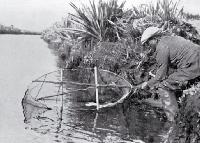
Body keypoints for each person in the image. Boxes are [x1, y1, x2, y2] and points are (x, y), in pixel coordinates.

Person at [139, 27, 200, 122]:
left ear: (154, 39)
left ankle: (173, 120)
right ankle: (178, 105)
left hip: (193, 65)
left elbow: (161, 76)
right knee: (173, 80)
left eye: (148, 43)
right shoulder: (170, 39)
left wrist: (147, 84)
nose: (147, 46)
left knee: (163, 86)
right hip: (196, 58)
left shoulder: (161, 48)